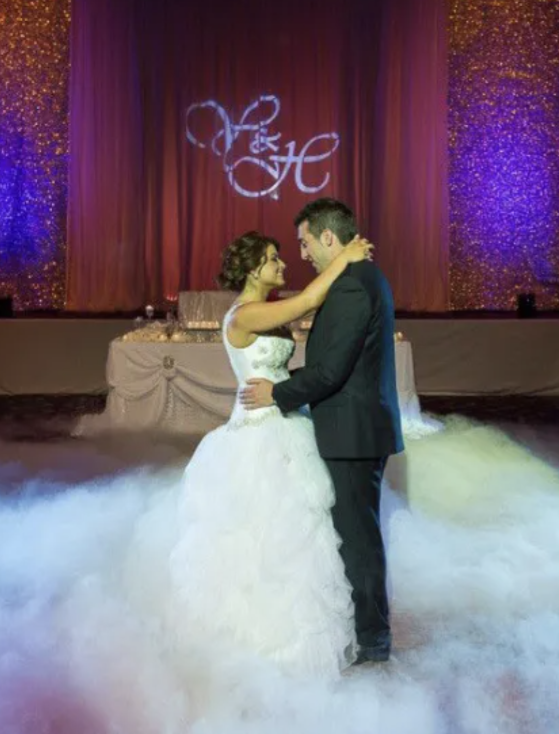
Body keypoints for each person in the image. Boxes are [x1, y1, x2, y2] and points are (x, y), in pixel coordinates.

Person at [162, 228, 375, 677]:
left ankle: (304, 633)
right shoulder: (244, 314)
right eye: (274, 259)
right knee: (261, 538)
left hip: (287, 424)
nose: (283, 265)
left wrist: (287, 386)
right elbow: (304, 303)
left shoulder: (266, 315)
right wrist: (346, 257)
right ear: (253, 268)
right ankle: (259, 643)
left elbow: (278, 361)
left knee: (301, 534)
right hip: (257, 436)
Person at [239, 198, 403, 665]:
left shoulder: (353, 285)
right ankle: (364, 631)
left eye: (305, 242)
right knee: (355, 534)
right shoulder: (356, 278)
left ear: (327, 237)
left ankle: (373, 641)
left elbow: (331, 371)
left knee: (358, 539)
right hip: (355, 427)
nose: (302, 253)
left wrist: (278, 392)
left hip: (353, 432)